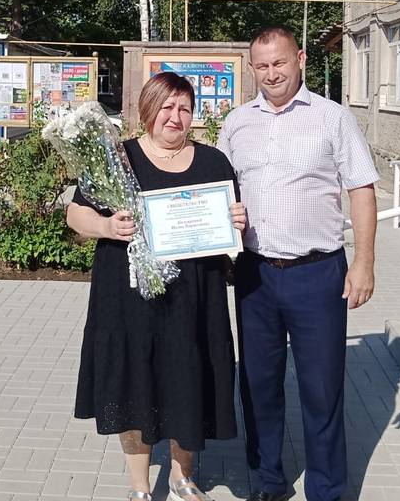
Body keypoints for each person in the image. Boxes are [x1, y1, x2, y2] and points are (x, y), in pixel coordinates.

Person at [67, 71, 246, 501]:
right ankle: (139, 486)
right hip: (128, 295)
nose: (175, 116)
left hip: (194, 296)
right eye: (166, 107)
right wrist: (107, 226)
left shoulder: (213, 162)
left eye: (184, 108)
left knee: (187, 377)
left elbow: (229, 221)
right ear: (148, 109)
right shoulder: (118, 159)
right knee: (134, 380)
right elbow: (75, 214)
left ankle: (182, 477)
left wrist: (237, 221)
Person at [217, 26, 379, 501]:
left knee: (322, 389)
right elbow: (220, 190)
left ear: (300, 59)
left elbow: (362, 189)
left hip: (318, 274)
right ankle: (269, 479)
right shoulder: (236, 123)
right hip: (255, 276)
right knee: (258, 384)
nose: (272, 74)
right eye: (262, 66)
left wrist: (364, 262)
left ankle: (326, 489)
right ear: (252, 69)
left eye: (280, 63)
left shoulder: (333, 118)